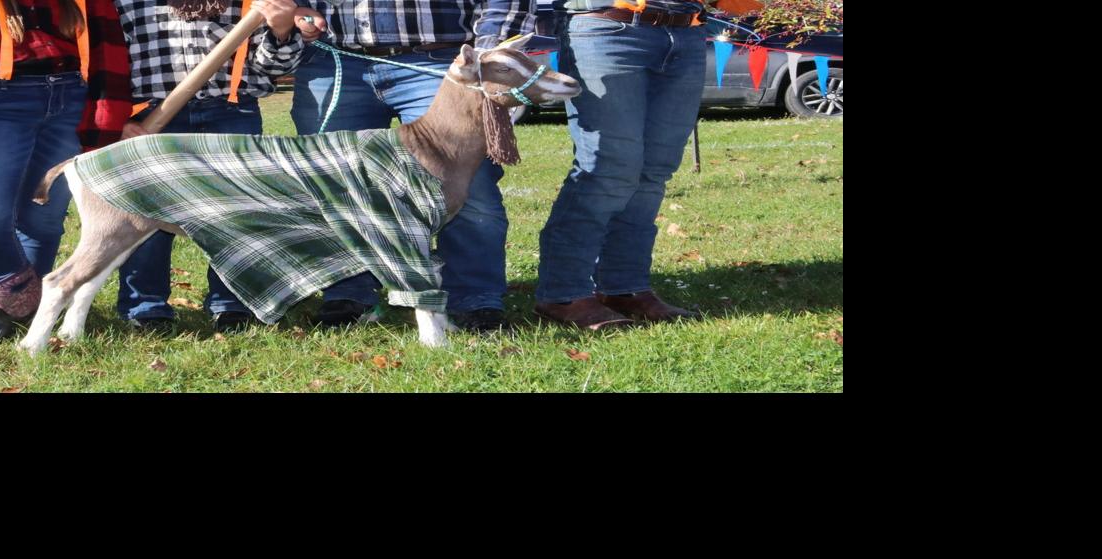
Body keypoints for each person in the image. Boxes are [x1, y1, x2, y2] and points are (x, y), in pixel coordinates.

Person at [288, 0, 535, 331]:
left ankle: (474, 300)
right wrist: (294, 10)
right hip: (333, 61)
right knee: (336, 186)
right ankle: (347, 294)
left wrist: (486, 56)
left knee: (471, 185)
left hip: (439, 58)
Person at [0, 0, 132, 342]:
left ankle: (23, 320)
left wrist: (106, 122)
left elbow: (110, 49)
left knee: (42, 220)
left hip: (72, 99)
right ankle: (19, 303)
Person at [112, 0, 307, 334]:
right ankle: (144, 306)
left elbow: (275, 69)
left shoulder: (251, 2)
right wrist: (119, 118)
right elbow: (108, 62)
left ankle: (232, 302)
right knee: (146, 216)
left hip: (232, 113)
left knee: (236, 215)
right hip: (151, 119)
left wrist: (281, 29)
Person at [534, 0, 721, 330]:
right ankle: (564, 294)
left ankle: (624, 288)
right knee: (607, 166)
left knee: (654, 170)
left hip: (687, 30)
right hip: (606, 27)